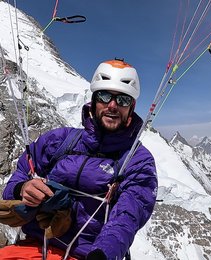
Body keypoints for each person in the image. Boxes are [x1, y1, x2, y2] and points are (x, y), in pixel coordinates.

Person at [0, 59, 158, 259]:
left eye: (123, 100)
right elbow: (19, 175)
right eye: (104, 95)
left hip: (88, 253)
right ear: (93, 100)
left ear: (131, 108)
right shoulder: (60, 140)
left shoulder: (138, 160)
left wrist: (102, 254)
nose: (112, 105)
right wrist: (21, 188)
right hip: (36, 246)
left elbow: (129, 214)